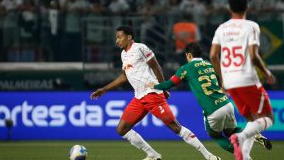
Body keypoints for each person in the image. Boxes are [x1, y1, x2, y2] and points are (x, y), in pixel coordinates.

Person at [90, 26, 221, 160]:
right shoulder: (124, 54)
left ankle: (209, 156)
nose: (117, 40)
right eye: (116, 37)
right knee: (121, 129)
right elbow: (124, 76)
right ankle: (152, 154)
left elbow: (156, 67)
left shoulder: (140, 48)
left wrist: (163, 89)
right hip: (139, 97)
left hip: (152, 94)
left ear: (129, 37)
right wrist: (104, 89)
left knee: (176, 127)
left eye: (119, 37)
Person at [146, 42, 272, 156]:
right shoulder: (209, 65)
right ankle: (255, 135)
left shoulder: (186, 68)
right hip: (227, 104)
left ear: (189, 55)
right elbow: (219, 82)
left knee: (215, 135)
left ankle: (242, 155)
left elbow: (169, 84)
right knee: (231, 130)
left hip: (213, 109)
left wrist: (155, 86)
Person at [210, 0, 276, 160]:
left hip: (230, 82)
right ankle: (238, 138)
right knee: (268, 118)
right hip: (247, 78)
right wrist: (266, 72)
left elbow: (212, 56)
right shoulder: (251, 26)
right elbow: (253, 56)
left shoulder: (221, 28)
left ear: (229, 9)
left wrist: (223, 79)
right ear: (247, 7)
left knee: (251, 120)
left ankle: (244, 157)